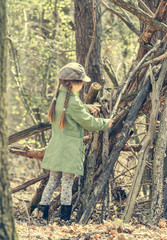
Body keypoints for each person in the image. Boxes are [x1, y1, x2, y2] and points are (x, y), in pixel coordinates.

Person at [38, 62, 113, 221]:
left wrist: (85, 107)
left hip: (57, 148)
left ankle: (41, 212)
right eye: (81, 83)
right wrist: (106, 123)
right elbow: (89, 123)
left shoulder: (58, 97)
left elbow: (72, 111)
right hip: (70, 150)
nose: (82, 86)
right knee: (66, 183)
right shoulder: (73, 101)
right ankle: (65, 218)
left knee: (52, 181)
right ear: (72, 83)